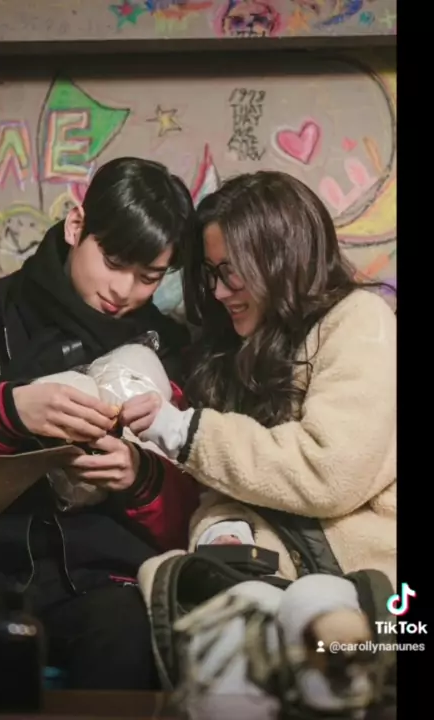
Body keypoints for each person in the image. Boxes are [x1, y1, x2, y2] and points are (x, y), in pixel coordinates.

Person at [120, 170, 397, 587]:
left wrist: (185, 432)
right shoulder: (231, 351)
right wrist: (221, 530)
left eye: (231, 271)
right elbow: (233, 485)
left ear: (283, 259)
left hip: (366, 579)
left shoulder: (359, 320)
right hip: (278, 575)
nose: (218, 291)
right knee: (160, 580)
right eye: (211, 272)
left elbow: (328, 473)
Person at [0, 157, 200, 690]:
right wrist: (9, 410)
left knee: (130, 635)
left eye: (149, 277)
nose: (124, 290)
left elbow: (198, 497)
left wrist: (139, 477)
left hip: (105, 579)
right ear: (76, 225)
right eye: (114, 261)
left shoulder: (168, 351)